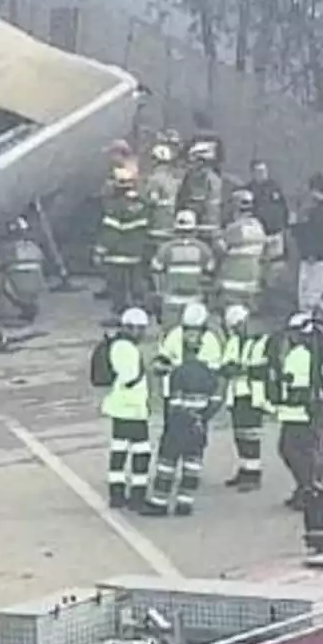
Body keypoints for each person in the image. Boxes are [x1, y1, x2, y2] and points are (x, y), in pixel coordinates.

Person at [142, 335, 221, 517]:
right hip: (199, 429)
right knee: (192, 466)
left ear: (185, 349)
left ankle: (159, 502)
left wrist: (183, 419)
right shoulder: (208, 373)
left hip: (178, 428)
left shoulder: (179, 372)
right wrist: (201, 419)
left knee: (167, 465)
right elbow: (216, 400)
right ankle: (185, 503)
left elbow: (175, 403)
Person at [99, 307, 153, 510]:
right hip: (132, 408)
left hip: (121, 407)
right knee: (141, 452)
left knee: (119, 449)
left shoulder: (117, 345)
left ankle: (117, 493)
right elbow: (130, 377)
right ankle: (137, 496)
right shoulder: (126, 348)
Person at [219, 304, 271, 491]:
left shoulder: (262, 342)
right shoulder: (233, 342)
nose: (238, 329)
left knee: (251, 435)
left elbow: (263, 368)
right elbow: (226, 366)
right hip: (236, 394)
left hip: (253, 394)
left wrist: (243, 369)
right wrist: (235, 369)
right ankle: (244, 470)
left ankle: (253, 475)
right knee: (239, 435)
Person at [275, 312, 317, 510]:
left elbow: (301, 385)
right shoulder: (301, 353)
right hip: (294, 412)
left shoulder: (303, 354)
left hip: (300, 413)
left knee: (294, 451)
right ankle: (303, 488)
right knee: (290, 450)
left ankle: (307, 489)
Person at [94, 166, 149, 315]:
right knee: (135, 287)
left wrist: (100, 252)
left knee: (118, 289)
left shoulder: (115, 206)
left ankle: (119, 315)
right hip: (135, 254)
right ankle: (139, 312)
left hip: (117, 255)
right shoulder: (141, 204)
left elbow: (111, 233)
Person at [150, 209, 213, 328]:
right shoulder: (203, 249)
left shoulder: (166, 248)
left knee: (170, 333)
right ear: (194, 230)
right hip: (195, 298)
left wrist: (160, 292)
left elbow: (156, 272)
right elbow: (210, 273)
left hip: (171, 298)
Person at [292, 173, 323, 313]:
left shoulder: (314, 212)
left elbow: (310, 234)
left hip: (314, 261)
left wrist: (296, 226)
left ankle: (307, 329)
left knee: (309, 301)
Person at [216, 189, 267, 313]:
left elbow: (221, 250)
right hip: (252, 281)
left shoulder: (234, 229)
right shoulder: (258, 226)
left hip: (232, 283)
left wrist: (215, 238)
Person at [0, 217, 47, 323]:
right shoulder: (33, 246)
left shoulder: (7, 248)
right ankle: (27, 306)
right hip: (36, 287)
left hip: (18, 289)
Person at [245, 159, 289, 267]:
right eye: (259, 171)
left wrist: (283, 225)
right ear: (252, 173)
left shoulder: (274, 187)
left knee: (275, 264)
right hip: (258, 234)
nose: (262, 174)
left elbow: (283, 207)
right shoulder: (248, 190)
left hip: (275, 232)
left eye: (264, 171)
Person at [144, 133, 185, 245]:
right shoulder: (174, 178)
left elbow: (152, 200)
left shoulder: (154, 180)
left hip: (158, 224)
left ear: (155, 160)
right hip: (172, 223)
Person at [177, 140, 223, 241]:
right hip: (211, 225)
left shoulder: (201, 178)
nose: (189, 165)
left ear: (201, 162)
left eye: (193, 162)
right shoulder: (214, 177)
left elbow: (194, 201)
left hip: (202, 227)